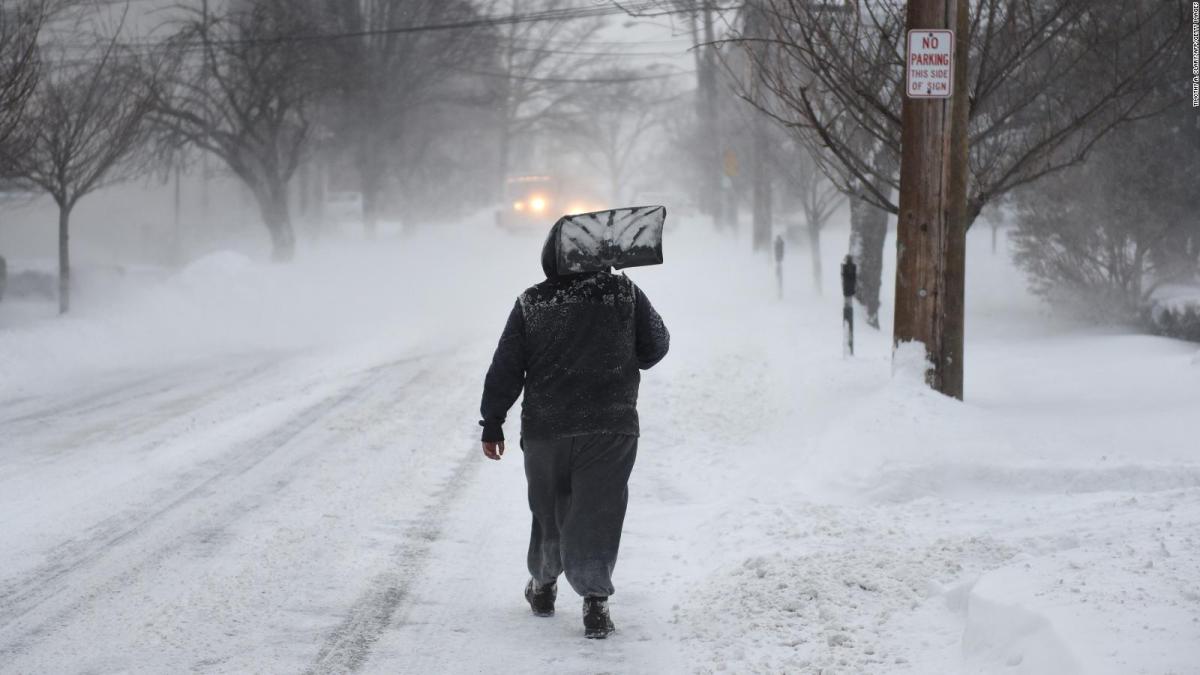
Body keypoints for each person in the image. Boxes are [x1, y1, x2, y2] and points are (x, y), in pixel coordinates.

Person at [478, 220, 670, 639]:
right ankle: (595, 605)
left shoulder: (532, 302)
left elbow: (506, 367)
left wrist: (493, 422)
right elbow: (655, 348)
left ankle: (544, 587)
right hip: (610, 426)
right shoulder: (623, 293)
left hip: (547, 428)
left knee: (548, 511)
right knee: (597, 512)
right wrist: (621, 327)